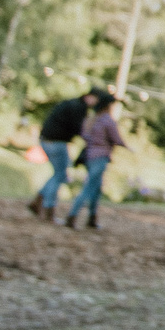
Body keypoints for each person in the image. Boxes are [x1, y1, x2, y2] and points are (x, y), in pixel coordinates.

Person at [63, 91, 125, 230]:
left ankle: (92, 217)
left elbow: (84, 135)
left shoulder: (91, 119)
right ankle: (73, 215)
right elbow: (117, 138)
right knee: (90, 187)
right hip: (100, 157)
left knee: (96, 188)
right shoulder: (107, 120)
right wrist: (126, 146)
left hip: (89, 155)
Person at [30, 88, 95, 218]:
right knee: (60, 174)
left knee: (58, 174)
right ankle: (48, 207)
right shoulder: (79, 108)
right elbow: (78, 129)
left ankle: (39, 200)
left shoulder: (71, 104)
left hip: (48, 139)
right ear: (90, 96)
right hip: (56, 142)